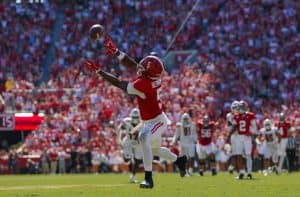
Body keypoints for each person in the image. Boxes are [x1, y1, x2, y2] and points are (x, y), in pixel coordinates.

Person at [84, 36, 187, 189]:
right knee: (155, 150)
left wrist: (99, 71)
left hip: (157, 121)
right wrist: (116, 52)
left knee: (143, 137)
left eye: (144, 68)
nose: (140, 68)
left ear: (148, 73)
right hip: (154, 119)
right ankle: (179, 161)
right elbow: (134, 65)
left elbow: (119, 83)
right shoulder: (151, 77)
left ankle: (148, 179)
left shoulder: (144, 84)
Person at [116, 108, 143, 183]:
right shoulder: (126, 121)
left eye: (136, 117)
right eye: (134, 117)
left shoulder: (143, 122)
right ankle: (130, 158)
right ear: (131, 116)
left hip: (138, 142)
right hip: (128, 140)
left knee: (137, 160)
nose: (135, 119)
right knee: (126, 159)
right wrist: (119, 139)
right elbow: (119, 128)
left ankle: (132, 176)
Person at [233, 100, 257, 179]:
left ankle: (249, 172)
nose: (241, 109)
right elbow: (234, 128)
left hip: (247, 137)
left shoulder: (250, 115)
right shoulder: (236, 116)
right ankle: (241, 172)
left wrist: (250, 132)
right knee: (239, 155)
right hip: (239, 137)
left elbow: (255, 129)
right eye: (240, 107)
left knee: (248, 155)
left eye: (242, 107)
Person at [226, 100, 240, 174]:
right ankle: (235, 168)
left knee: (238, 153)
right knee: (235, 153)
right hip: (234, 136)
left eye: (237, 108)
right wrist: (229, 135)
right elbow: (234, 126)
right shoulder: (230, 115)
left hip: (239, 135)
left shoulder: (240, 115)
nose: (236, 109)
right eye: (234, 108)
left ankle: (233, 167)